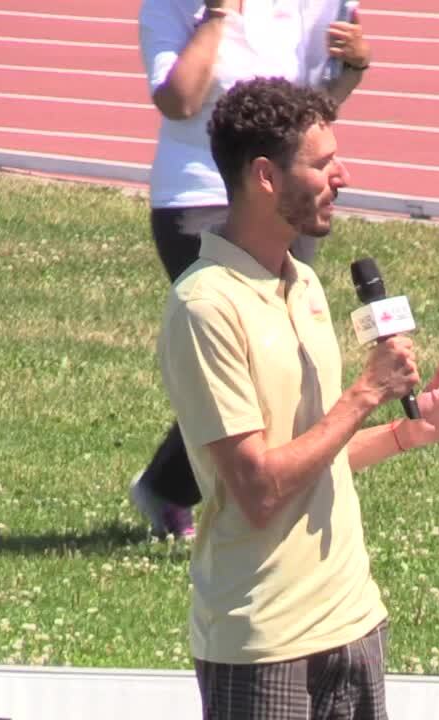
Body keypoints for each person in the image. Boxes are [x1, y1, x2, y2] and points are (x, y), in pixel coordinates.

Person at [158, 77, 439, 718]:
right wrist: (367, 391)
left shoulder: (304, 280)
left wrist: (406, 432)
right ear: (264, 176)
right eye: (321, 162)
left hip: (354, 621)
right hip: (266, 642)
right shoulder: (205, 308)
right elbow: (258, 488)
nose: (343, 175)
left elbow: (312, 453)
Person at [132, 0, 374, 538]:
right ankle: (246, 483)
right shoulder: (169, 7)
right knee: (237, 348)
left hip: (285, 189)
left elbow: (308, 114)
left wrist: (353, 66)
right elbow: (179, 99)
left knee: (282, 352)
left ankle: (176, 486)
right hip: (195, 195)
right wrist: (217, 16)